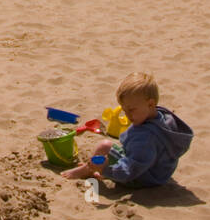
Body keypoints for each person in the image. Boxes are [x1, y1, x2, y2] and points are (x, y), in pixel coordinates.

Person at [61, 72, 193, 187]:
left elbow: (130, 170)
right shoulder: (162, 117)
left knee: (104, 146)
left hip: (142, 179)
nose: (128, 116)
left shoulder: (146, 137)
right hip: (158, 173)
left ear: (151, 104)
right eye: (125, 110)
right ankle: (92, 167)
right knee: (111, 148)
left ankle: (88, 169)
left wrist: (106, 169)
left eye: (131, 110)